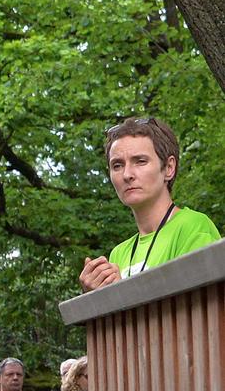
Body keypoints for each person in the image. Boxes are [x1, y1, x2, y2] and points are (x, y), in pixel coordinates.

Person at [79, 117, 220, 292]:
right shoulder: (118, 254)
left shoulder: (193, 227)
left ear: (168, 168)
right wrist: (93, 298)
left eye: (140, 161)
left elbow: (199, 310)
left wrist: (122, 292)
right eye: (117, 165)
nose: (127, 174)